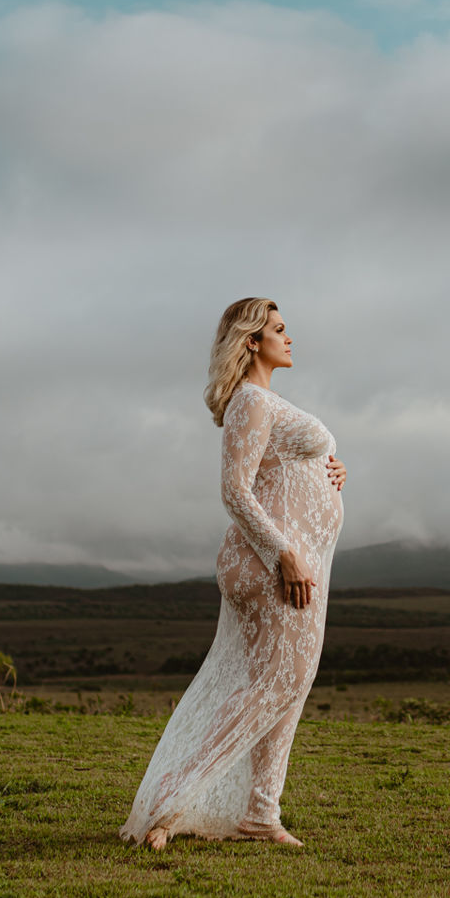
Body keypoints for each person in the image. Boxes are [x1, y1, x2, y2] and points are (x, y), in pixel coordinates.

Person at [119, 298, 347, 849]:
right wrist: (283, 554)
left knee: (289, 686)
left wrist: (331, 466)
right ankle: (170, 802)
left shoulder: (266, 401)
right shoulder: (250, 400)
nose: (289, 338)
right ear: (251, 341)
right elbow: (234, 490)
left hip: (297, 561)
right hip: (273, 564)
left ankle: (260, 815)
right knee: (269, 685)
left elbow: (283, 465)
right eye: (279, 330)